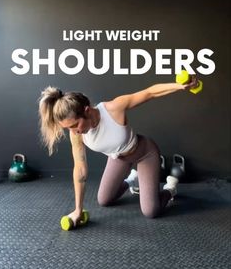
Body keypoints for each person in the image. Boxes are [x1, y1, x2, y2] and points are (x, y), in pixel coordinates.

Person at [38, 80, 196, 225]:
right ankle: (132, 179)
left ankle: (170, 188)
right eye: (69, 128)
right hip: (119, 159)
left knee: (151, 211)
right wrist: (78, 209)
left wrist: (179, 86)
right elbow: (80, 170)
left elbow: (150, 92)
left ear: (86, 111)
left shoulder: (113, 108)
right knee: (104, 200)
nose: (74, 131)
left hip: (144, 153)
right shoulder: (76, 135)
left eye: (75, 125)